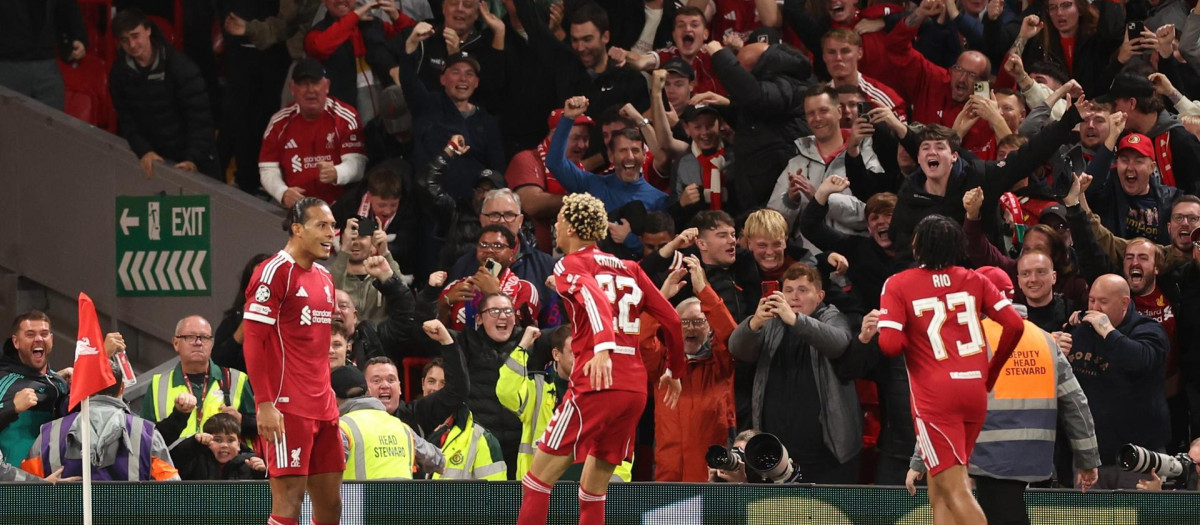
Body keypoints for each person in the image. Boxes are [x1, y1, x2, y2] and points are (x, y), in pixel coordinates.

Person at [518, 193, 685, 525]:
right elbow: (673, 320)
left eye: (560, 220)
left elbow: (594, 296)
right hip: (634, 389)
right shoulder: (630, 267)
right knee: (593, 490)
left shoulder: (570, 263)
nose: (555, 227)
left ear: (570, 226)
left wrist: (603, 348)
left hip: (597, 381)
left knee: (536, 482)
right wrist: (675, 371)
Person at [905, 267, 1100, 525]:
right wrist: (1087, 459)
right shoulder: (1044, 340)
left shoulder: (970, 343)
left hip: (988, 460)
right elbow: (1077, 405)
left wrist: (921, 460)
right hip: (1037, 462)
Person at [877, 215, 1025, 525]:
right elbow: (1013, 324)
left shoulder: (898, 283)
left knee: (956, 489)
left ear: (917, 246)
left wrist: (901, 330)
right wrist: (991, 372)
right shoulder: (975, 279)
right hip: (974, 390)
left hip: (935, 396)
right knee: (940, 488)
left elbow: (889, 344)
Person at [242, 197, 343, 525]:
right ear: (297, 229)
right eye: (322, 226)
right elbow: (254, 340)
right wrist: (265, 403)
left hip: (324, 407)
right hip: (287, 407)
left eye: (333, 226)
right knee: (289, 502)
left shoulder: (325, 277)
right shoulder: (273, 272)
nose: (331, 234)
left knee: (331, 506)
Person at [728, 262, 861, 482]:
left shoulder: (830, 316)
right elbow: (737, 348)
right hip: (776, 451)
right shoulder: (772, 322)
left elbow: (839, 343)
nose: (794, 297)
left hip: (826, 452)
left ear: (819, 296)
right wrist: (755, 321)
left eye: (803, 290)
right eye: (788, 290)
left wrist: (795, 320)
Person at [1065, 274, 1170, 489]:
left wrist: (1108, 332)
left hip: (1140, 457)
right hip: (1091, 457)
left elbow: (1140, 361)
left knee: (1139, 519)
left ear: (1124, 303)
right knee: (1088, 520)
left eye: (1103, 302)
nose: (1095, 308)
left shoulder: (1149, 329)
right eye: (1092, 300)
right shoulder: (1080, 331)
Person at [648, 258, 738, 481]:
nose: (690, 328)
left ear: (709, 329)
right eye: (683, 323)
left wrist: (703, 290)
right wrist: (659, 298)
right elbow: (641, 340)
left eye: (698, 322)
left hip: (711, 478)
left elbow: (730, 337)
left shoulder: (720, 363)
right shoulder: (661, 365)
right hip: (667, 477)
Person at [21, 360, 179, 481]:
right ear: (122, 388)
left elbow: (26, 496)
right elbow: (173, 495)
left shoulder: (48, 435)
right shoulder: (147, 434)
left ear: (80, 387)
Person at [109, 9, 220, 179]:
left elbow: (200, 120)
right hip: (156, 162)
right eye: (125, 40)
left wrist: (193, 159)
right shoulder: (119, 74)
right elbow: (127, 120)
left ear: (148, 30)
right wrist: (144, 150)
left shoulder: (181, 67)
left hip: (196, 162)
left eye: (135, 35)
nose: (132, 45)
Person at [259, 58, 367, 209]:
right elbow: (267, 168)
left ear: (327, 86)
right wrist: (282, 193)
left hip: (338, 208)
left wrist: (337, 172)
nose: (310, 90)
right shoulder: (278, 123)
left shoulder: (345, 117)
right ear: (292, 89)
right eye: (303, 84)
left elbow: (358, 165)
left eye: (315, 83)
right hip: (295, 210)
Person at [143, 315, 256, 445]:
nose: (198, 342)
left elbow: (261, 427)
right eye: (190, 337)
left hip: (224, 463)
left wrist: (241, 420)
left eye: (204, 337)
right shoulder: (158, 385)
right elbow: (146, 436)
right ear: (175, 343)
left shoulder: (237, 379)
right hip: (174, 463)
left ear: (212, 343)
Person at [331, 365, 444, 480]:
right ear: (368, 391)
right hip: (403, 498)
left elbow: (324, 476)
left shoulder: (340, 429)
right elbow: (440, 462)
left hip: (358, 498)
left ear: (331, 396)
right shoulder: (403, 428)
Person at [0, 311, 74, 467]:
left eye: (44, 334)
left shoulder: (58, 380)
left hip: (56, 478)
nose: (39, 338)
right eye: (30, 334)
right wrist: (11, 407)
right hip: (17, 484)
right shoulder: (5, 380)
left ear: (51, 339)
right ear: (16, 342)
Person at [1084, 131, 1181, 246]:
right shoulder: (1106, 191)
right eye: (1124, 160)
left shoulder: (1171, 198)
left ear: (1152, 167)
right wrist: (1111, 137)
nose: (1130, 167)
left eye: (1138, 161)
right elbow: (1088, 185)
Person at [0, 0, 86, 110]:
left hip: (47, 63)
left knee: (53, 123)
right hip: (6, 64)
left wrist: (76, 39)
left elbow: (66, 8)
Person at [328, 216, 404, 325]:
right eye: (351, 238)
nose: (355, 242)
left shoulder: (383, 275)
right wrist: (344, 251)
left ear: (373, 245)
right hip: (343, 338)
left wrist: (384, 251)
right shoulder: (327, 275)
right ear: (340, 245)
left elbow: (404, 299)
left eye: (362, 236)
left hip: (380, 339)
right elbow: (330, 294)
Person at [169, 413, 268, 480]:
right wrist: (194, 443)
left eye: (230, 440)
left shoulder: (250, 463)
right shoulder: (196, 460)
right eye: (218, 440)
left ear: (238, 444)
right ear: (207, 441)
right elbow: (175, 461)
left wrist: (263, 473)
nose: (224, 445)